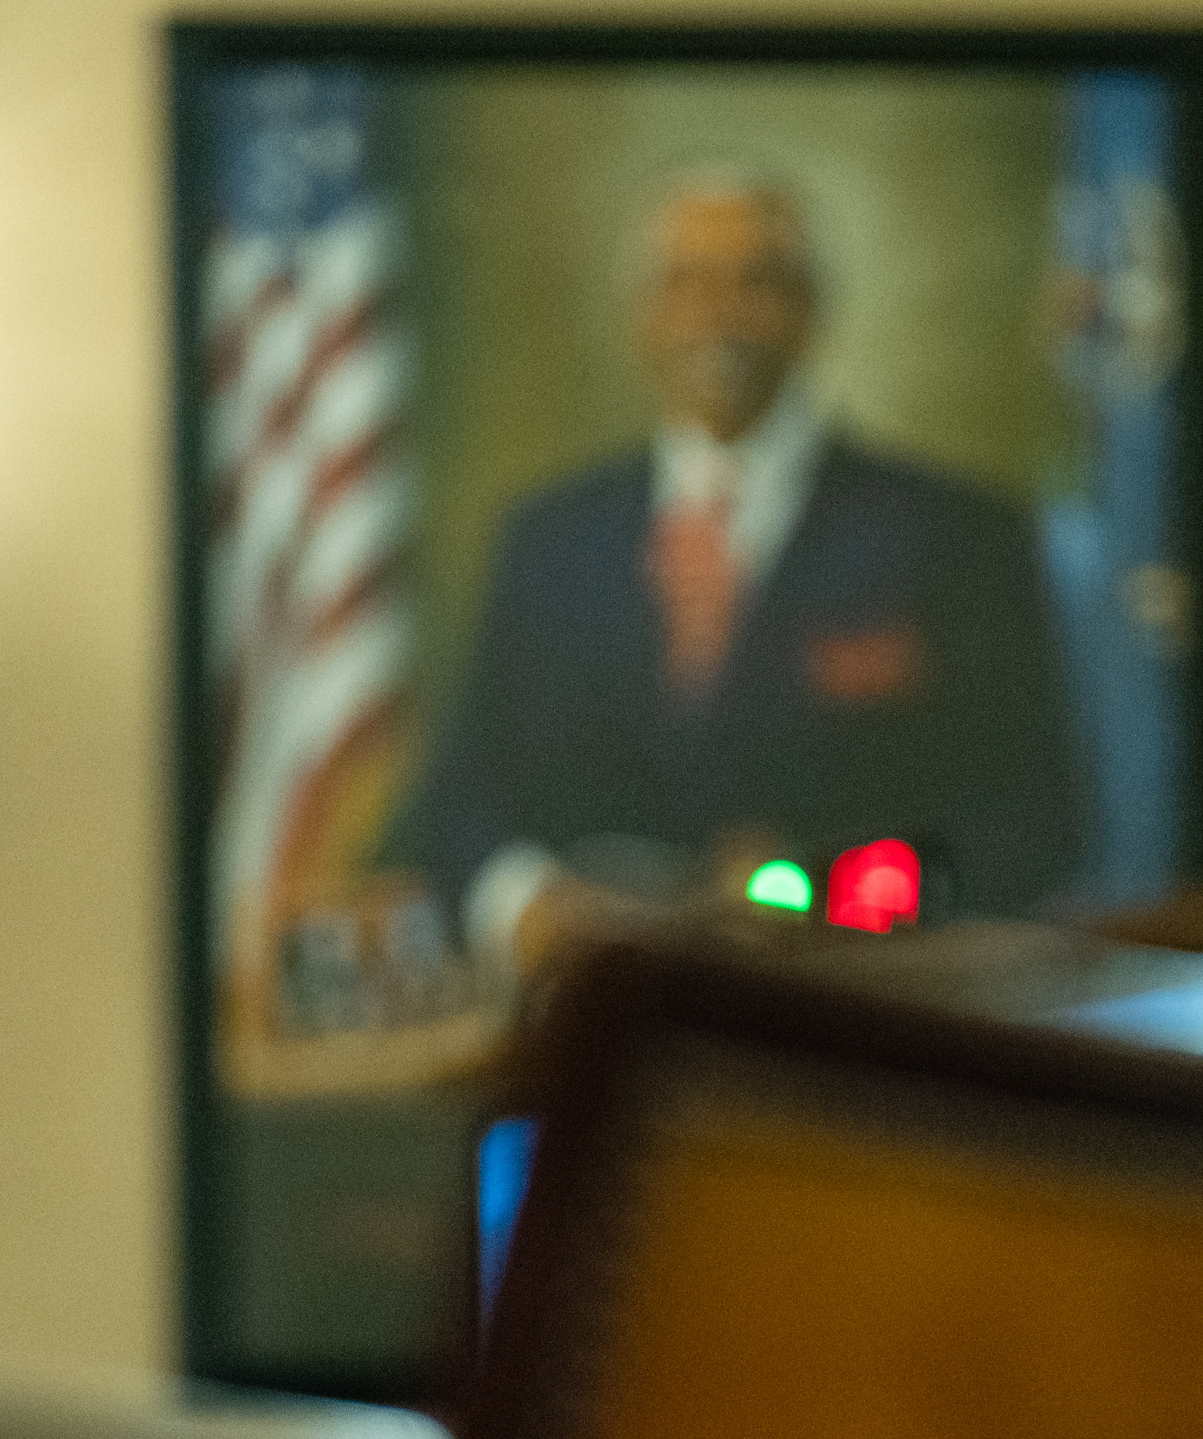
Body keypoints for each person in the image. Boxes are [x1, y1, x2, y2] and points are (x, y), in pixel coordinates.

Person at [404, 166, 1084, 973]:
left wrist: (820, 893)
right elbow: (454, 803)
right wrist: (522, 903)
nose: (719, 316)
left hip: (856, 1020)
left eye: (755, 281)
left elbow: (1038, 824)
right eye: (686, 284)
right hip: (598, 1028)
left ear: (810, 311)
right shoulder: (549, 541)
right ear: (643, 317)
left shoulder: (957, 537)